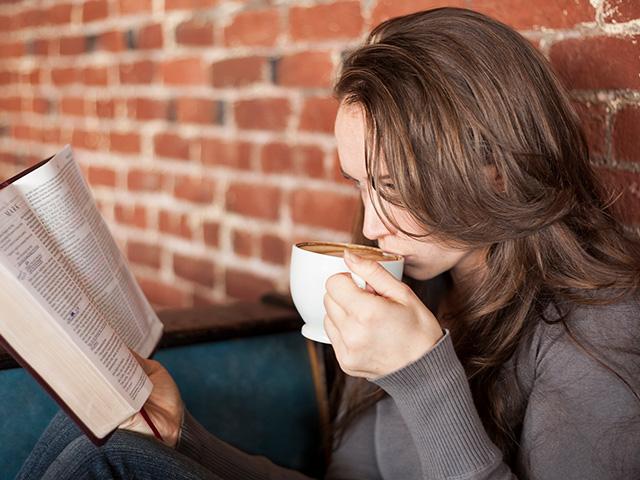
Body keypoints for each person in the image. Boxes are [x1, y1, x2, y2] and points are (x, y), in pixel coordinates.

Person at [17, 6, 640, 480]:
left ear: (494, 170)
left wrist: (425, 382)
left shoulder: (597, 334)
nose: (370, 226)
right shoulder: (425, 287)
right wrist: (185, 439)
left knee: (111, 463)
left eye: (394, 187)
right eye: (361, 185)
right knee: (99, 436)